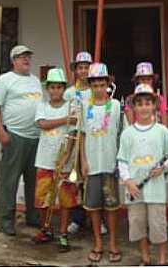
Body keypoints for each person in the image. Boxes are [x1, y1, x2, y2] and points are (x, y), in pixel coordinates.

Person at [118, 83, 168, 266]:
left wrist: (163, 167)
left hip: (156, 191)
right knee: (138, 226)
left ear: (154, 106)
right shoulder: (127, 133)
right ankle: (145, 258)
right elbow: (122, 160)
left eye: (147, 103)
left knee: (158, 226)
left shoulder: (162, 131)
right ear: (134, 107)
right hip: (135, 191)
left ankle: (162, 260)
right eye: (140, 103)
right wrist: (128, 181)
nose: (144, 107)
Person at [0, 45, 43, 236]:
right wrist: (1, 132)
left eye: (28, 56)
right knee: (9, 182)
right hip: (14, 137)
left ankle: (33, 216)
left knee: (34, 181)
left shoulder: (36, 81)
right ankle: (6, 221)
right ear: (13, 60)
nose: (26, 60)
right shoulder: (4, 80)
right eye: (21, 57)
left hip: (35, 138)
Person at [31, 68, 79, 252]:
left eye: (59, 87)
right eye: (52, 87)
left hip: (63, 162)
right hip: (44, 160)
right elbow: (42, 124)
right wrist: (66, 119)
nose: (55, 90)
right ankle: (45, 229)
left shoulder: (71, 106)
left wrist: (66, 155)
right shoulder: (42, 106)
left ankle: (63, 234)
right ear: (47, 89)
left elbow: (73, 134)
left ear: (63, 88)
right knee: (43, 199)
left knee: (65, 200)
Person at [80, 63, 122, 264]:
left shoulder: (115, 106)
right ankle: (98, 242)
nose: (98, 88)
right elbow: (81, 135)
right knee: (94, 207)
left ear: (107, 84)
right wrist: (83, 161)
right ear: (90, 86)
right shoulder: (84, 106)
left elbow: (122, 135)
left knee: (112, 206)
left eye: (101, 84)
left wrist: (120, 162)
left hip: (110, 164)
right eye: (94, 84)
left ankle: (113, 242)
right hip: (92, 165)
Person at [63, 51, 92, 236]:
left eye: (86, 67)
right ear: (75, 70)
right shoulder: (69, 93)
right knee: (75, 181)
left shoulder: (97, 90)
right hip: (74, 139)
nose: (83, 71)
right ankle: (77, 219)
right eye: (80, 67)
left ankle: (96, 219)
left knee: (92, 182)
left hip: (92, 139)